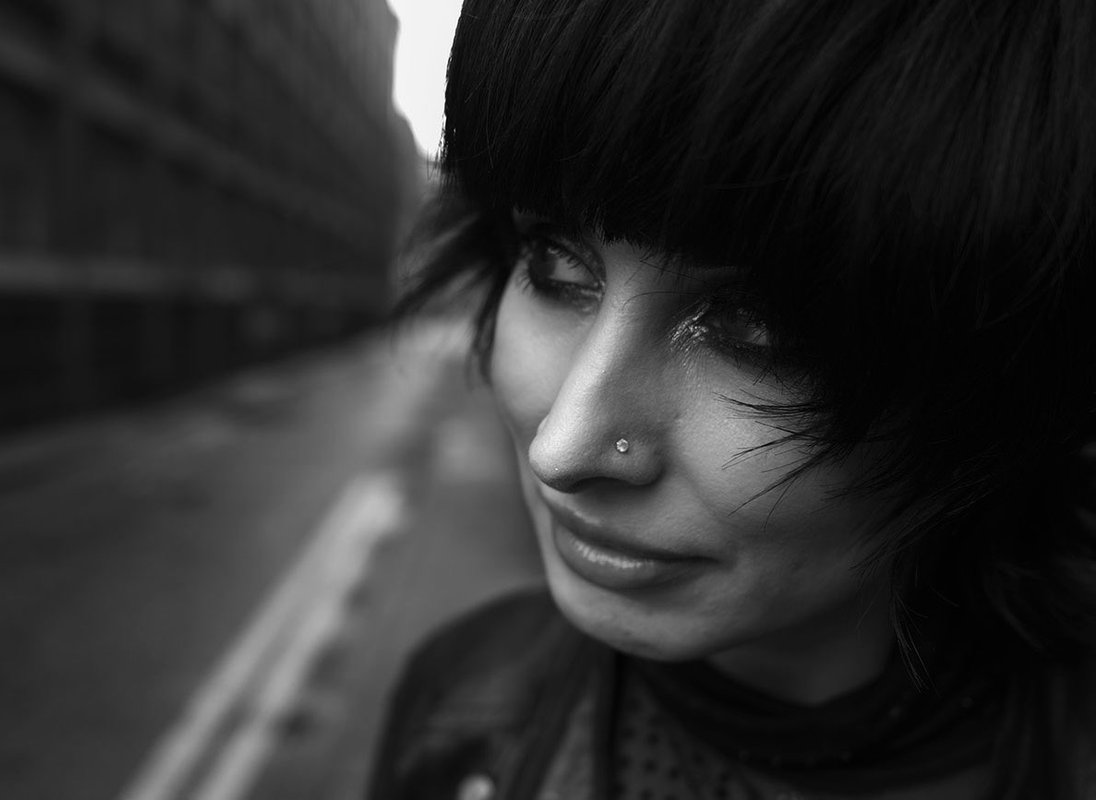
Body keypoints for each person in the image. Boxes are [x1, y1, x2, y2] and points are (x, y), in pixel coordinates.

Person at [369, 0, 1096, 797]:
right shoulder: (462, 707)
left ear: (1014, 370)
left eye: (761, 325)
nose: (563, 447)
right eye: (557, 266)